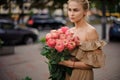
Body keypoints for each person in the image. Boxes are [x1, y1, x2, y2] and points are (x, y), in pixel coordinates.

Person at [59, 0, 106, 80]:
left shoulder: (90, 31)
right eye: (69, 10)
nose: (71, 14)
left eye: (75, 10)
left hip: (82, 75)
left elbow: (94, 63)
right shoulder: (70, 31)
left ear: (85, 12)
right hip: (68, 74)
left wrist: (69, 64)